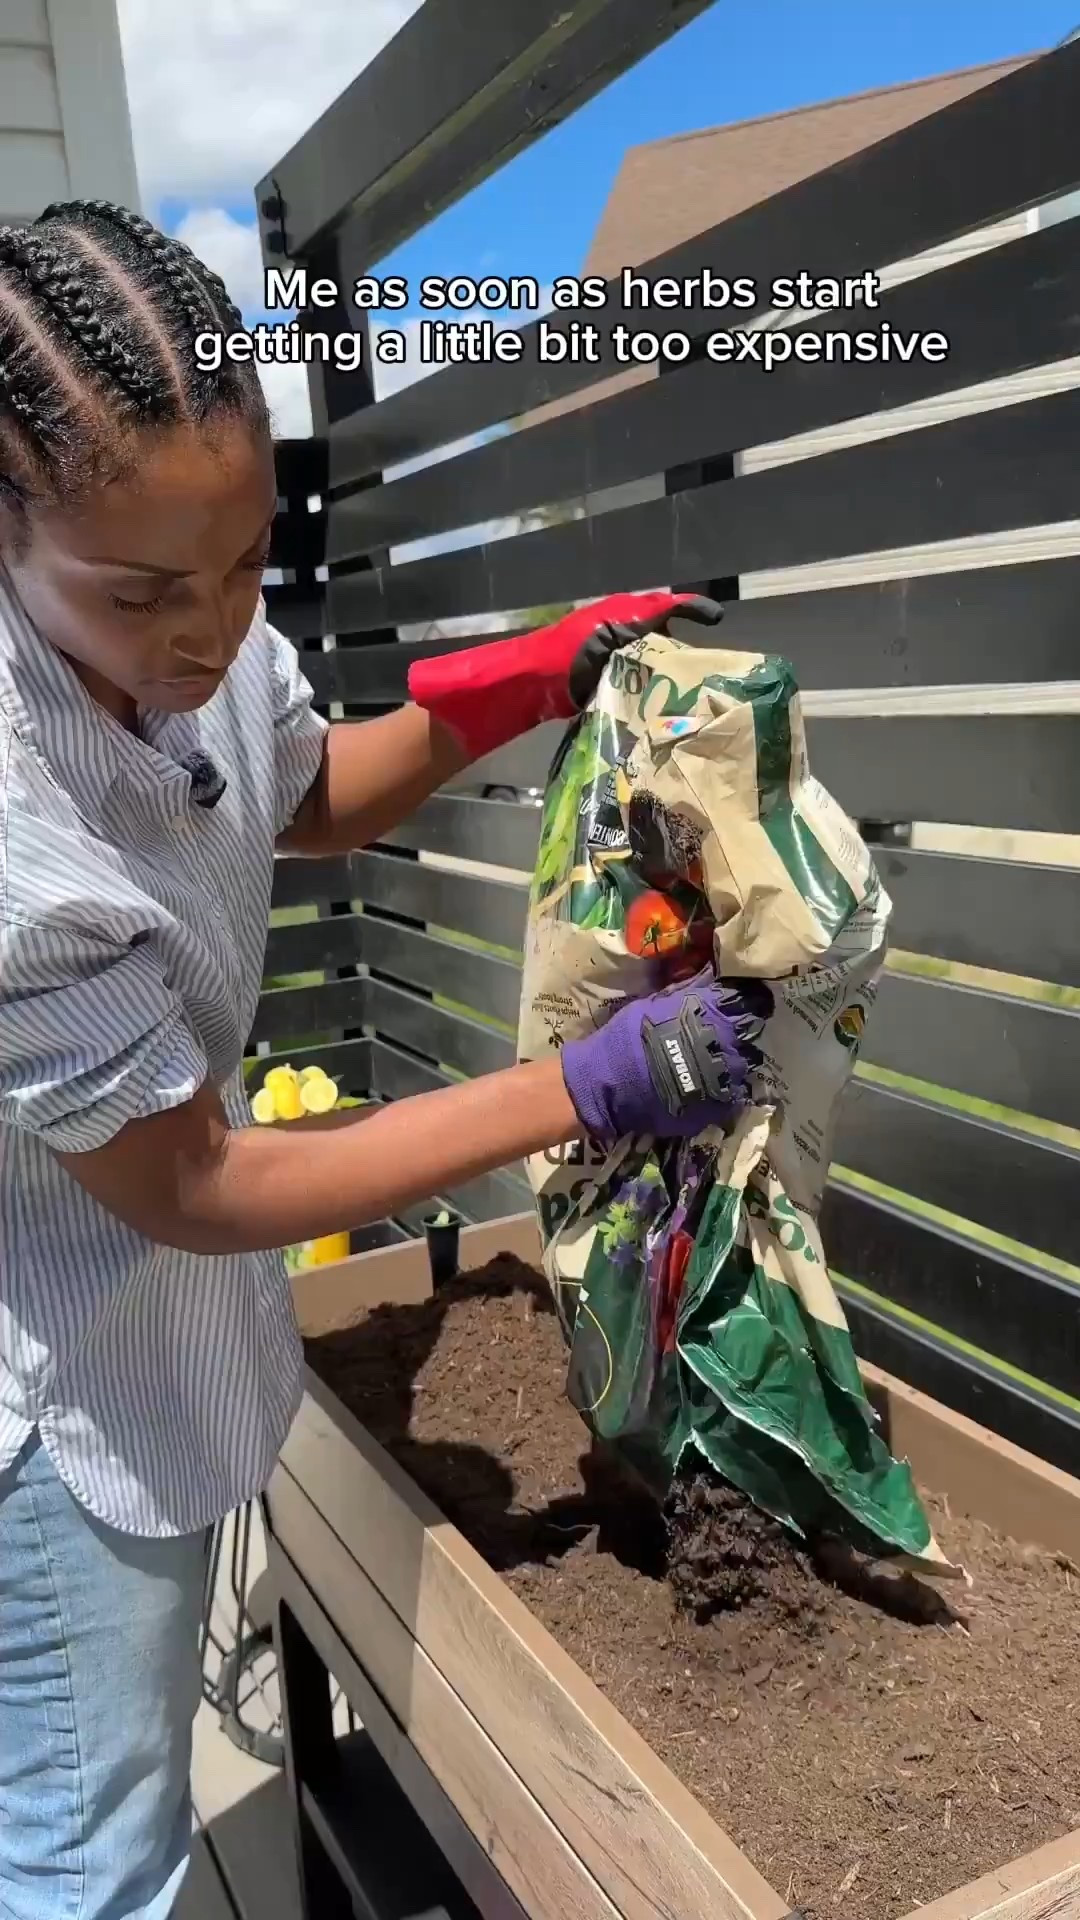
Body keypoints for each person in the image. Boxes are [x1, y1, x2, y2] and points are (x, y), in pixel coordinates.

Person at [0, 201, 766, 1920]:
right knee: (90, 1853)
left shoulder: (170, 615)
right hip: (53, 1395)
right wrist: (578, 1088)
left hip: (158, 1316)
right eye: (145, 593)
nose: (209, 632)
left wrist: (518, 684)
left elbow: (306, 787)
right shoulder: (12, 830)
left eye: (244, 563)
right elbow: (199, 1186)